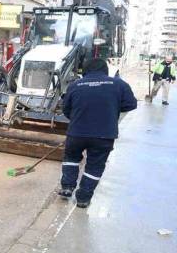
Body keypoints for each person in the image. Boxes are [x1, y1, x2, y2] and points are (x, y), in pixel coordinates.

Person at [59, 58, 137, 208]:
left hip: (77, 133)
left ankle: (67, 187)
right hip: (104, 135)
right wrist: (111, 108)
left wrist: (78, 119)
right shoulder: (119, 84)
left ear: (85, 70)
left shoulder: (76, 85)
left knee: (71, 159)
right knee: (95, 166)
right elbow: (131, 104)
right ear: (105, 69)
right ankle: (83, 198)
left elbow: (66, 109)